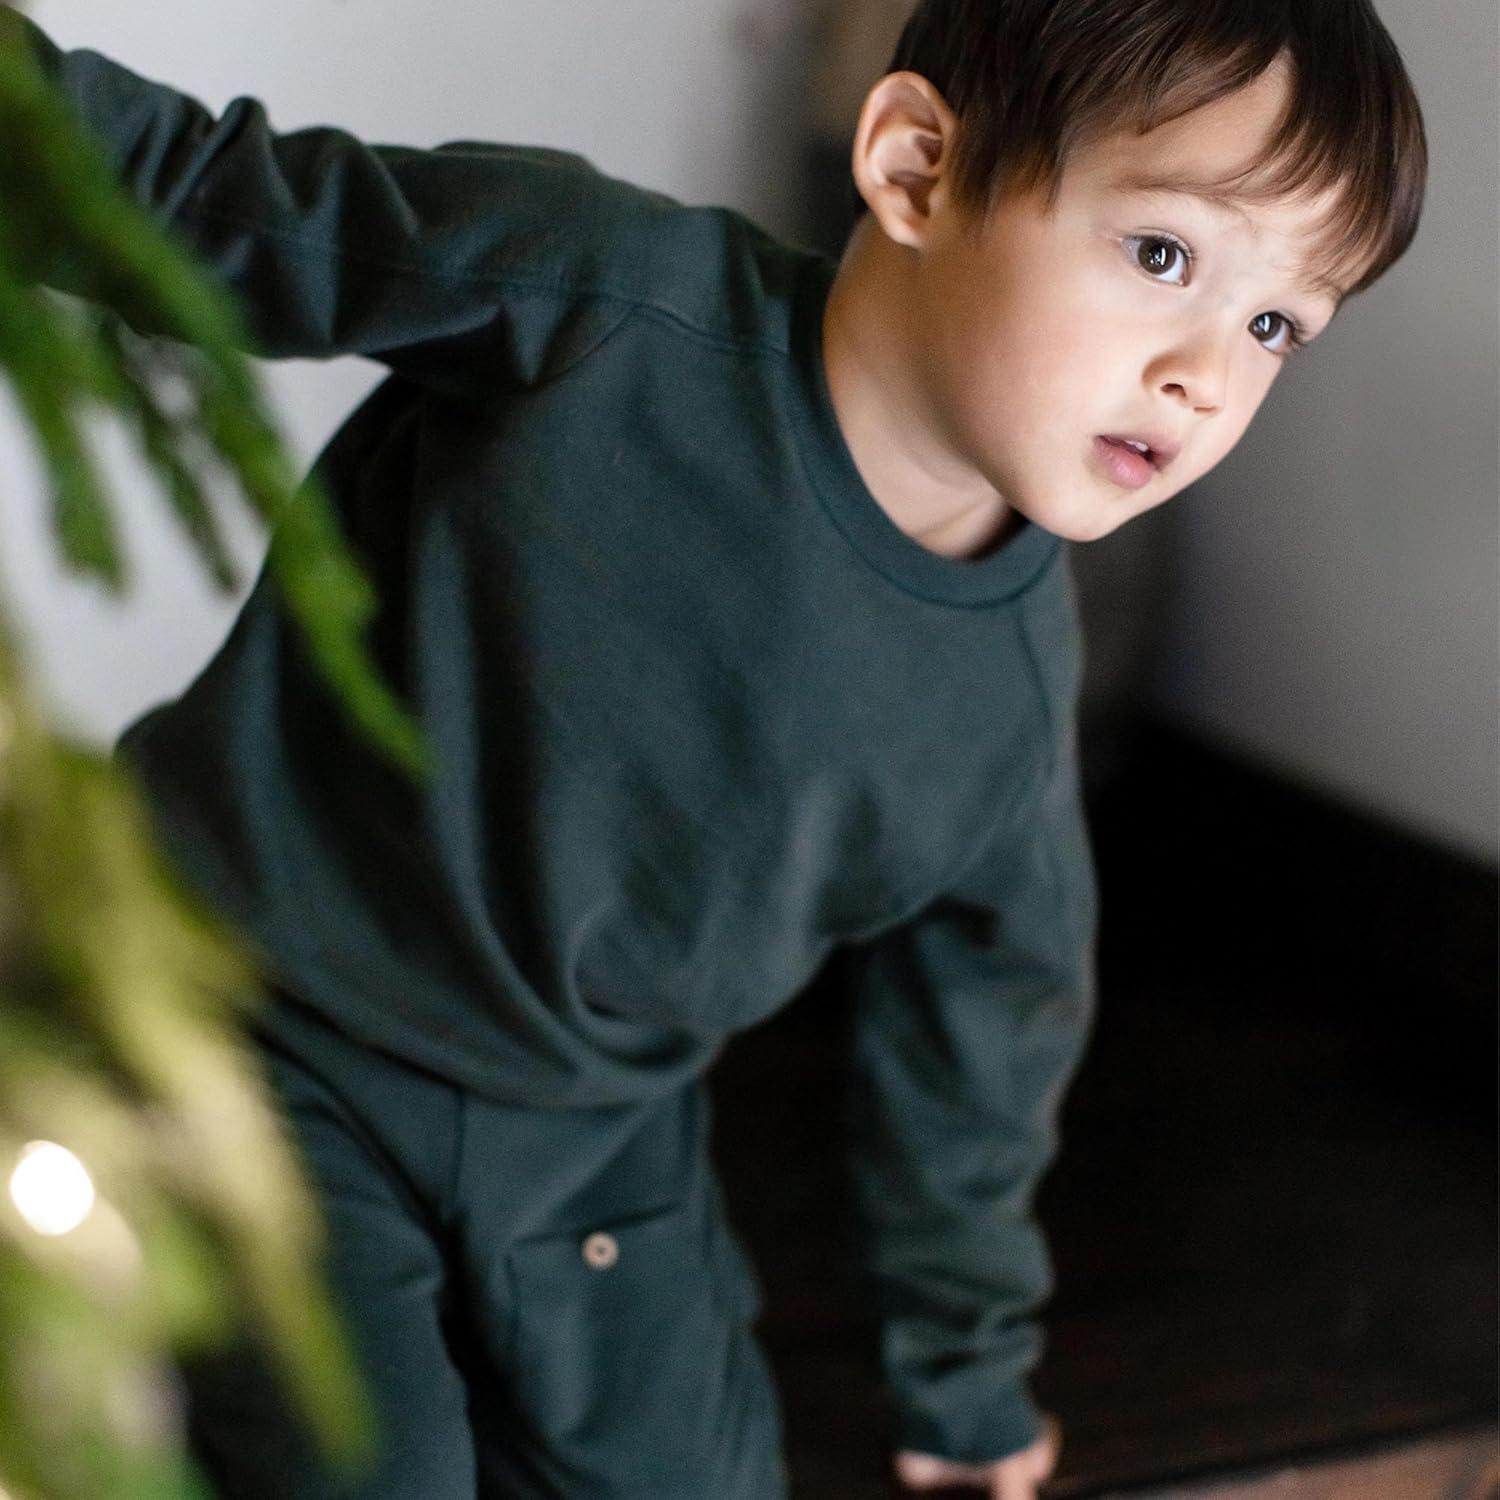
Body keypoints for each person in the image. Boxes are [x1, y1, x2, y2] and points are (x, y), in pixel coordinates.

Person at [11, 1, 1425, 1495]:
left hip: (591, 1131)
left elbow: (982, 1034)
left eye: (1278, 325)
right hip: (255, 1017)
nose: (1209, 374)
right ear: (918, 167)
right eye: (1166, 256)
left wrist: (965, 1377)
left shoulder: (1008, 694)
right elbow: (211, 200)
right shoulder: (608, 300)